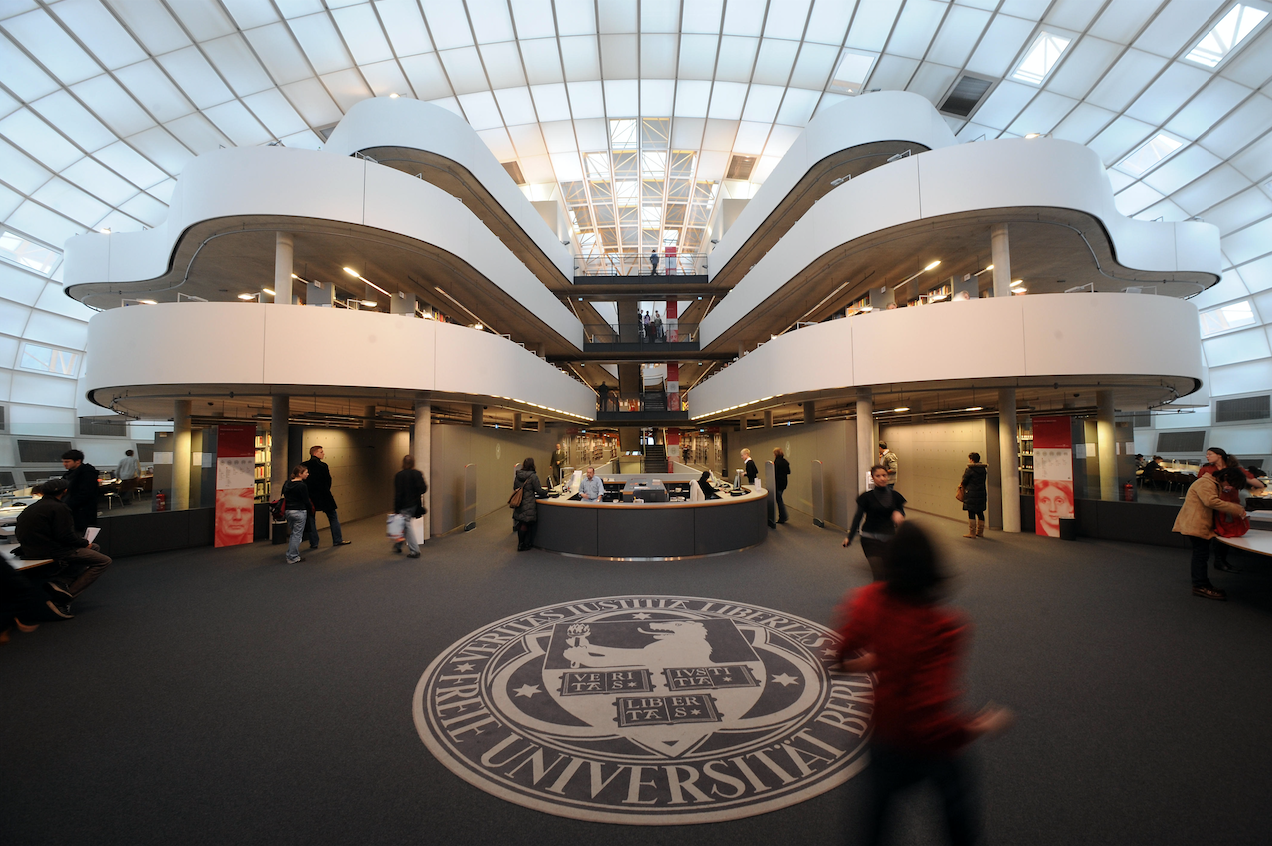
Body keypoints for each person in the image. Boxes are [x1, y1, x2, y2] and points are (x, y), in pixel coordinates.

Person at [834, 522, 1013, 846]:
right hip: (931, 748)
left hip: (884, 732)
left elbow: (841, 655)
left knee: (873, 824)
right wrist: (980, 726)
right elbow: (929, 718)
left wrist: (874, 659)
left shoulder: (866, 601)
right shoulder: (946, 627)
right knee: (960, 820)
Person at [15, 479, 111, 607]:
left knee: (93, 548)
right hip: (52, 551)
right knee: (104, 561)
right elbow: (65, 536)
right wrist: (83, 543)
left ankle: (62, 581)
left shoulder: (32, 507)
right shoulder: (59, 507)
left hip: (31, 550)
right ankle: (65, 597)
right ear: (65, 491)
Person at [1174, 466, 1248, 600]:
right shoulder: (1206, 483)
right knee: (1200, 555)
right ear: (1226, 477)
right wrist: (1235, 508)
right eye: (1231, 484)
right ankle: (1200, 586)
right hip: (1196, 524)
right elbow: (1211, 501)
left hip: (1199, 523)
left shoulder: (1211, 483)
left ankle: (1203, 584)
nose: (1230, 488)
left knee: (1201, 555)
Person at [1198, 447, 1265, 572]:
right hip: (1216, 505)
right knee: (1218, 532)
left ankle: (1221, 560)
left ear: (1219, 455)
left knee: (1228, 531)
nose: (1207, 457)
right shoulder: (1206, 469)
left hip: (1231, 505)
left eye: (1210, 454)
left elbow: (1255, 482)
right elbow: (1202, 487)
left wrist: (1260, 486)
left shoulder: (1235, 470)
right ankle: (1219, 560)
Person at [844, 465, 907, 579]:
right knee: (878, 574)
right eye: (878, 476)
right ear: (873, 477)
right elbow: (858, 517)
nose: (882, 478)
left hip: (889, 537)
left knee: (889, 575)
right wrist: (850, 537)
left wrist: (899, 514)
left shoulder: (895, 496)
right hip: (870, 538)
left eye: (884, 475)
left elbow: (901, 512)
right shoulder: (866, 497)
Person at [301, 446, 349, 548]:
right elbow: (328, 480)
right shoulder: (323, 465)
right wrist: (326, 490)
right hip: (324, 495)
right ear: (315, 453)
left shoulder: (303, 465)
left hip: (309, 496)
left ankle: (314, 543)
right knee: (333, 517)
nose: (323, 454)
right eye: (321, 452)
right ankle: (337, 539)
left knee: (311, 519)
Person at [393, 454, 428, 558]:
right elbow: (423, 489)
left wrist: (396, 508)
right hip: (414, 504)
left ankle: (415, 551)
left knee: (406, 525)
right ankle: (398, 545)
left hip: (404, 505)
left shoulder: (399, 475)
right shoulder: (417, 474)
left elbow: (398, 493)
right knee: (403, 524)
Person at [512, 457, 548, 551]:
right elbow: (538, 490)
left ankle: (521, 543)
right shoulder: (533, 476)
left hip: (519, 502)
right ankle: (522, 545)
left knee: (521, 522)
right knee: (525, 523)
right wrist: (546, 492)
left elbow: (514, 487)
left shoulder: (518, 475)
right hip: (528, 503)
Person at [61, 449, 100, 534]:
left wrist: (66, 505)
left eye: (67, 461)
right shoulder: (69, 474)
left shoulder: (88, 474)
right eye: (63, 461)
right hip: (72, 511)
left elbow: (85, 494)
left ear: (78, 461)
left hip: (82, 513)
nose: (64, 464)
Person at [280, 465, 310, 564]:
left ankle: (290, 554)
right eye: (306, 473)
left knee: (294, 533)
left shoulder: (287, 484)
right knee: (297, 535)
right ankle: (292, 557)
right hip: (299, 510)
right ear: (300, 474)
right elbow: (306, 500)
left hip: (288, 511)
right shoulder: (302, 485)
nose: (307, 474)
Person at [960, 453, 988, 539]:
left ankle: (972, 533)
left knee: (971, 511)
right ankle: (980, 532)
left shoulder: (970, 470)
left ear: (971, 460)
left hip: (971, 493)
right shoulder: (983, 469)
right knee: (980, 512)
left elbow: (964, 481)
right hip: (981, 493)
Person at [773, 447, 791, 523]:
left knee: (779, 500)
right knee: (779, 499)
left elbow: (774, 473)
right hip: (784, 483)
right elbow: (788, 472)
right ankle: (783, 516)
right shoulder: (785, 462)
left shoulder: (776, 462)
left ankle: (783, 516)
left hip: (778, 483)